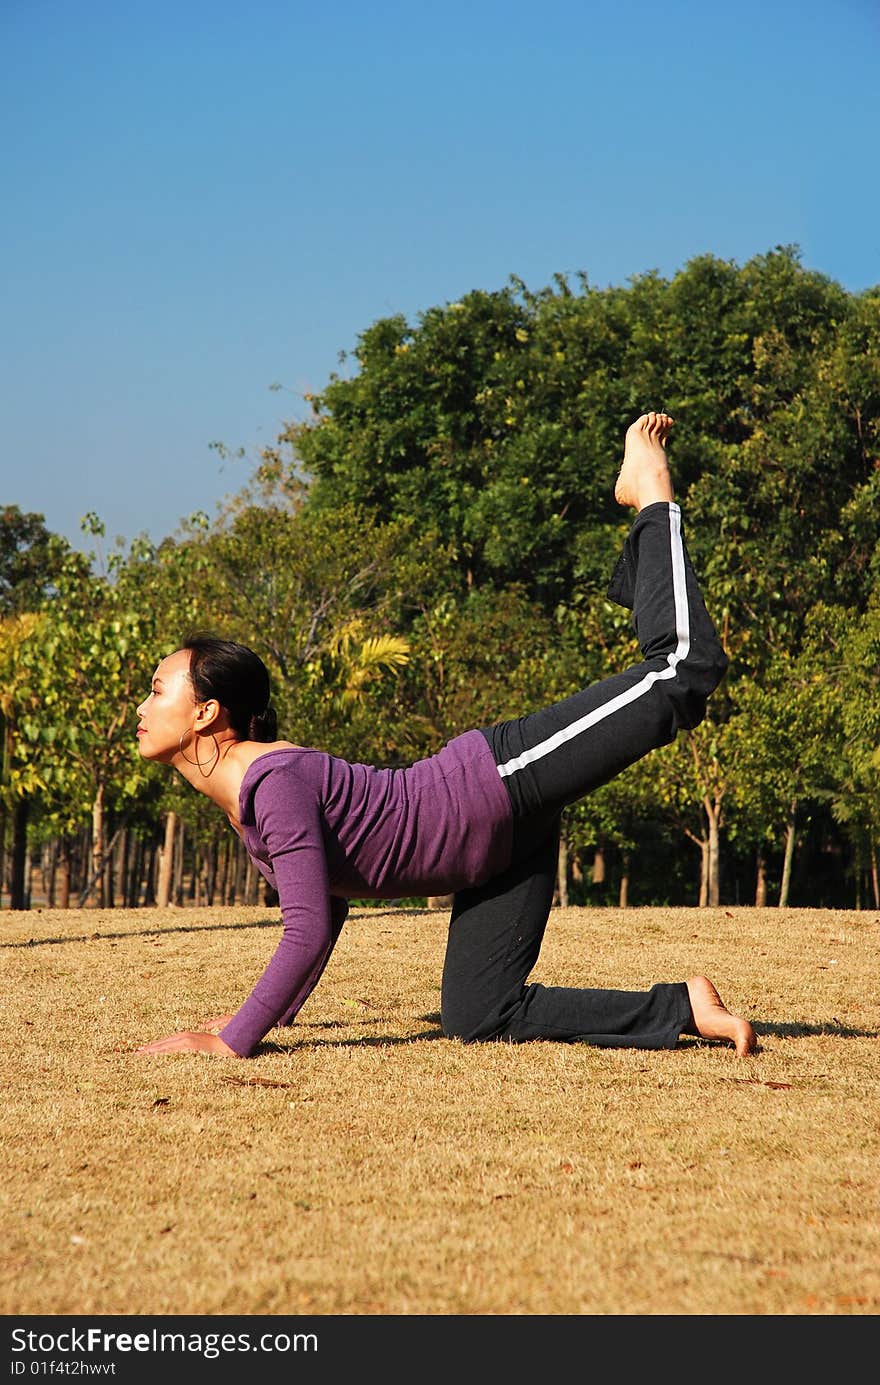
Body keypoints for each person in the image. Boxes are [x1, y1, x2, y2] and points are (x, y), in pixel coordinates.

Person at [135, 412, 757, 1061]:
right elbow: (329, 906)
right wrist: (274, 1015)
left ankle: (652, 491)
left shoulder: (271, 782)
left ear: (208, 712)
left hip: (499, 782)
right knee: (479, 1014)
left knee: (681, 671)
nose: (143, 708)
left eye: (158, 688)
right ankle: (683, 1006)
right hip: (492, 851)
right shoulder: (247, 799)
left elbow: (309, 925)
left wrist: (233, 1039)